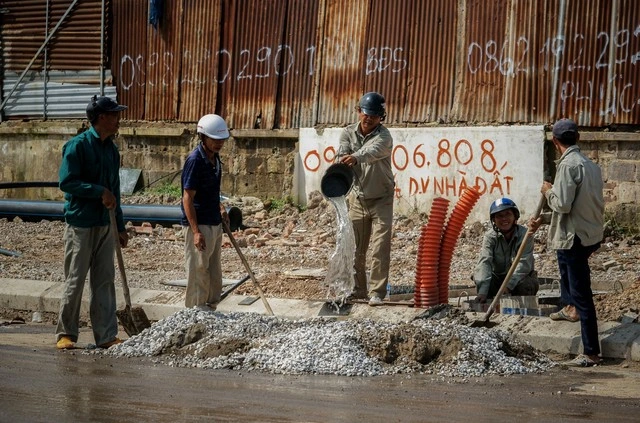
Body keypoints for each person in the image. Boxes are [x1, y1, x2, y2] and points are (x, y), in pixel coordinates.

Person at [56, 95, 128, 350]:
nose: (118, 119)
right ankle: (66, 333)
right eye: (114, 115)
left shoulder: (112, 150)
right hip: (81, 224)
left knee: (105, 281)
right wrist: (98, 191)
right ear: (101, 118)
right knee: (75, 279)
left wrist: (119, 226)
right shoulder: (77, 146)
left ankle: (106, 335)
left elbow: (115, 191)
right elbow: (67, 182)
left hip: (105, 223)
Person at [532, 118, 604, 367]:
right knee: (564, 262)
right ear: (579, 138)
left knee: (583, 293)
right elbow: (574, 207)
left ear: (555, 141)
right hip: (589, 234)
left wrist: (547, 191)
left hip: (575, 237)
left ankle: (592, 352)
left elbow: (561, 203)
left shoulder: (568, 166)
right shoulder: (591, 166)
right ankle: (570, 306)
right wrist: (543, 220)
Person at [338, 92, 394, 306]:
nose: (368, 118)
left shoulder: (384, 136)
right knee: (355, 247)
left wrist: (355, 157)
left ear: (381, 117)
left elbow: (372, 152)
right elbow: (341, 153)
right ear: (358, 111)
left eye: (374, 115)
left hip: (382, 199)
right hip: (359, 199)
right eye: (365, 113)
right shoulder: (346, 133)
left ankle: (377, 292)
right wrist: (340, 162)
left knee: (380, 247)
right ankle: (358, 289)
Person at [181, 114, 230, 311]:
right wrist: (196, 232)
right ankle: (196, 309)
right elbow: (187, 199)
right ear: (203, 137)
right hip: (199, 223)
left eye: (221, 140)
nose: (219, 144)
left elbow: (211, 191)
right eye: (214, 140)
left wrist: (220, 207)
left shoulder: (215, 160)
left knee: (214, 270)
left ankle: (211, 306)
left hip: (214, 222)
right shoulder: (195, 160)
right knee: (198, 269)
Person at [472, 198, 539, 303]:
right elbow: (485, 261)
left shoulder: (525, 235)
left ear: (514, 216)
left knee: (525, 284)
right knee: (482, 278)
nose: (504, 219)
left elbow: (523, 264)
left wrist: (508, 286)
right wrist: (482, 291)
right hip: (499, 279)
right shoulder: (490, 237)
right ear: (494, 220)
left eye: (507, 214)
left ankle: (521, 314)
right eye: (499, 216)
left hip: (518, 279)